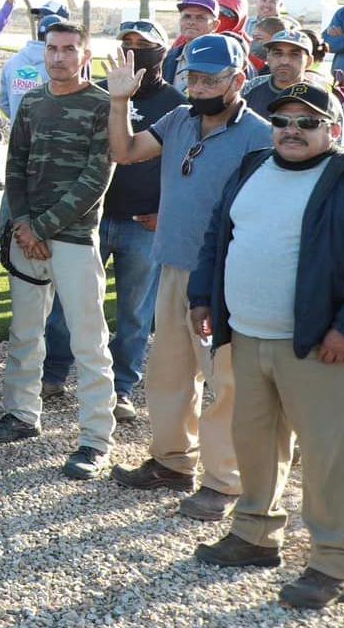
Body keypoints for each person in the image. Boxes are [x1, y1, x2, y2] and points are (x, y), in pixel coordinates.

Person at [186, 83, 344, 610]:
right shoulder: (252, 167)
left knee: (331, 455)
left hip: (319, 346)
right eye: (283, 120)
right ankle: (256, 534)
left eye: (307, 123)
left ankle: (333, 562)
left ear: (333, 129)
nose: (292, 131)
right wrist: (202, 296)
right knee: (256, 442)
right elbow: (218, 235)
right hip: (247, 335)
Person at [95, 34, 269, 518]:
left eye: (210, 79)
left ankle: (225, 481)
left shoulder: (259, 136)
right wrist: (118, 102)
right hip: (170, 264)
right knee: (169, 372)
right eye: (192, 77)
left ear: (238, 81)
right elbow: (125, 151)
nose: (198, 87)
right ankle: (172, 462)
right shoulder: (177, 120)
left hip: (223, 277)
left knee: (225, 382)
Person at [0, 22, 117, 481]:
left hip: (73, 239)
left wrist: (43, 227)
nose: (59, 57)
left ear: (85, 54)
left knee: (87, 341)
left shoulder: (102, 105)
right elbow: (13, 166)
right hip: (26, 238)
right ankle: (21, 414)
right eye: (52, 49)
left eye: (68, 49)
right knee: (24, 332)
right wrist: (22, 224)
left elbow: (96, 179)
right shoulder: (33, 102)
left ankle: (95, 438)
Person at [40, 20, 185, 423]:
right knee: (68, 303)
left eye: (144, 45)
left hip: (144, 222)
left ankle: (121, 388)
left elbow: (183, 168)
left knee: (135, 313)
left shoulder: (177, 103)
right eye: (127, 43)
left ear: (162, 51)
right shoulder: (98, 91)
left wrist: (167, 213)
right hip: (91, 217)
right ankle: (52, 374)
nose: (134, 50)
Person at [0, 13, 62, 123]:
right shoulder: (60, 67)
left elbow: (4, 103)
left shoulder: (12, 62)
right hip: (49, 134)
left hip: (18, 134)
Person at [244, 29, 326, 113]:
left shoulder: (320, 97)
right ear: (268, 58)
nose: (284, 61)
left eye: (294, 55)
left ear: (309, 61)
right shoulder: (249, 89)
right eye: (277, 53)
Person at [165, 0, 220, 91]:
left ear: (215, 25)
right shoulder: (170, 57)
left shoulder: (223, 59)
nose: (191, 22)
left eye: (200, 18)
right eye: (187, 16)